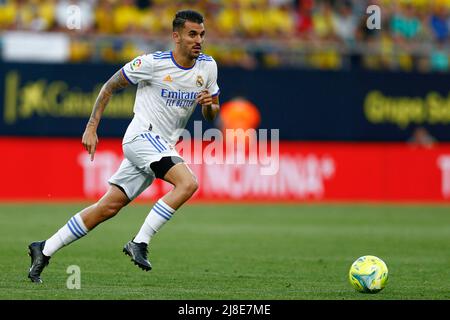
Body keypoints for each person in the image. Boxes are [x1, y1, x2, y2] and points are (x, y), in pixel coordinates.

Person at [27, 9, 220, 283]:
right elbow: (109, 86)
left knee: (108, 207)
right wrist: (91, 126)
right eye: (192, 34)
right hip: (141, 136)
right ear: (176, 36)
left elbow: (213, 114)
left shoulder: (208, 67)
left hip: (161, 145)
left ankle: (44, 249)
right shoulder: (152, 63)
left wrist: (209, 106)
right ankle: (139, 242)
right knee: (187, 183)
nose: (198, 40)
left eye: (201, 34)